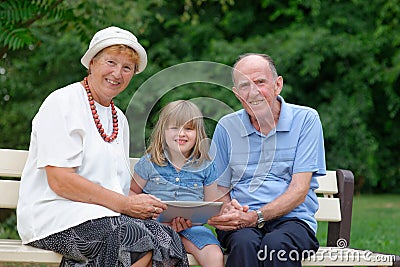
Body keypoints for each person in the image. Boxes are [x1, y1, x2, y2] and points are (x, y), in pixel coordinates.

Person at [16, 26, 188, 267]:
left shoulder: (119, 118)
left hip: (105, 216)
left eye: (127, 68)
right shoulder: (63, 102)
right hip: (55, 218)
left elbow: (115, 188)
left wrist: (154, 209)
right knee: (134, 240)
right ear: (92, 63)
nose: (117, 73)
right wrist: (127, 205)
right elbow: (60, 181)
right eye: (111, 62)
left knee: (167, 240)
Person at [207, 53, 326, 267]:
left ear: (277, 85)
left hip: (294, 221)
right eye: (244, 85)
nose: (253, 92)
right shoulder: (226, 127)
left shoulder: (306, 120)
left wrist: (257, 216)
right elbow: (219, 190)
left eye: (260, 82)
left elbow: (299, 189)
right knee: (244, 243)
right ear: (236, 94)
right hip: (241, 224)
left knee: (276, 245)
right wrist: (228, 211)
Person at [131, 100, 224, 267]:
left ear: (198, 133)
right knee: (147, 252)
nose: (181, 133)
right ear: (163, 132)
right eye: (174, 128)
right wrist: (145, 213)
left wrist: (195, 220)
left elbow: (211, 206)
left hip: (192, 229)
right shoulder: (150, 162)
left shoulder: (206, 166)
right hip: (154, 227)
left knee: (214, 254)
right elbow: (131, 193)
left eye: (188, 128)